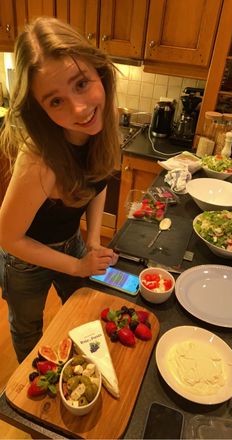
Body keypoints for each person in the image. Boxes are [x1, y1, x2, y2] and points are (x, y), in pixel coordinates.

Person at [0, 17, 120, 363]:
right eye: (55, 102)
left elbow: (97, 183)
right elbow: (9, 237)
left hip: (72, 241)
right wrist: (77, 266)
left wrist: (94, 239)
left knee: (83, 316)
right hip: (25, 260)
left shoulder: (104, 120)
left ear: (100, 73)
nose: (79, 109)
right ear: (39, 109)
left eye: (81, 84)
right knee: (27, 332)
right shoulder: (39, 159)